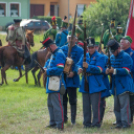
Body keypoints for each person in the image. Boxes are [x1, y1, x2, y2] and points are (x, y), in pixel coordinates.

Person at [77, 38, 107, 128]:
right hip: (85, 83)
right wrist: (79, 68)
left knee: (95, 106)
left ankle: (96, 124)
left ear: (95, 47)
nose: (90, 49)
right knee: (86, 106)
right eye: (89, 47)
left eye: (92, 47)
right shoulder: (84, 55)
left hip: (95, 84)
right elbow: (78, 64)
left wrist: (88, 67)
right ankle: (86, 123)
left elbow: (99, 69)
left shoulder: (100, 57)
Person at [106, 39, 134, 129]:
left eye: (114, 51)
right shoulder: (112, 57)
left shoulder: (126, 56)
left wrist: (114, 71)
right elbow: (109, 67)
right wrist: (108, 70)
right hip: (115, 85)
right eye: (112, 51)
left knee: (124, 106)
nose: (113, 53)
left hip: (124, 85)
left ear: (118, 48)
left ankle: (126, 124)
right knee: (116, 107)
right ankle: (119, 123)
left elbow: (127, 70)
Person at [42, 37, 66, 130]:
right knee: (50, 104)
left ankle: (60, 125)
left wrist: (48, 71)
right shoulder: (53, 54)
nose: (46, 50)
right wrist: (45, 67)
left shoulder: (59, 54)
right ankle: (53, 122)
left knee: (57, 105)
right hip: (51, 83)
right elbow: (48, 63)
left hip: (57, 83)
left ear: (51, 46)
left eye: (47, 48)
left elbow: (60, 69)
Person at [61, 32, 83, 125]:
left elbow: (80, 62)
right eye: (69, 38)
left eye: (72, 38)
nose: (70, 40)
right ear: (67, 39)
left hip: (72, 79)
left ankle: (73, 120)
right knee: (63, 99)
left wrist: (73, 72)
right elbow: (59, 61)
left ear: (76, 40)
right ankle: (64, 118)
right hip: (64, 78)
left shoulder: (80, 50)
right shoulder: (62, 49)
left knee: (72, 100)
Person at [120, 36, 134, 123]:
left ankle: (130, 119)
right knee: (121, 101)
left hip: (131, 79)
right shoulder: (119, 54)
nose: (121, 44)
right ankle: (122, 118)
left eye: (123, 42)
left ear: (128, 43)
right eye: (120, 42)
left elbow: (131, 67)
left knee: (131, 101)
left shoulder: (132, 54)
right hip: (121, 80)